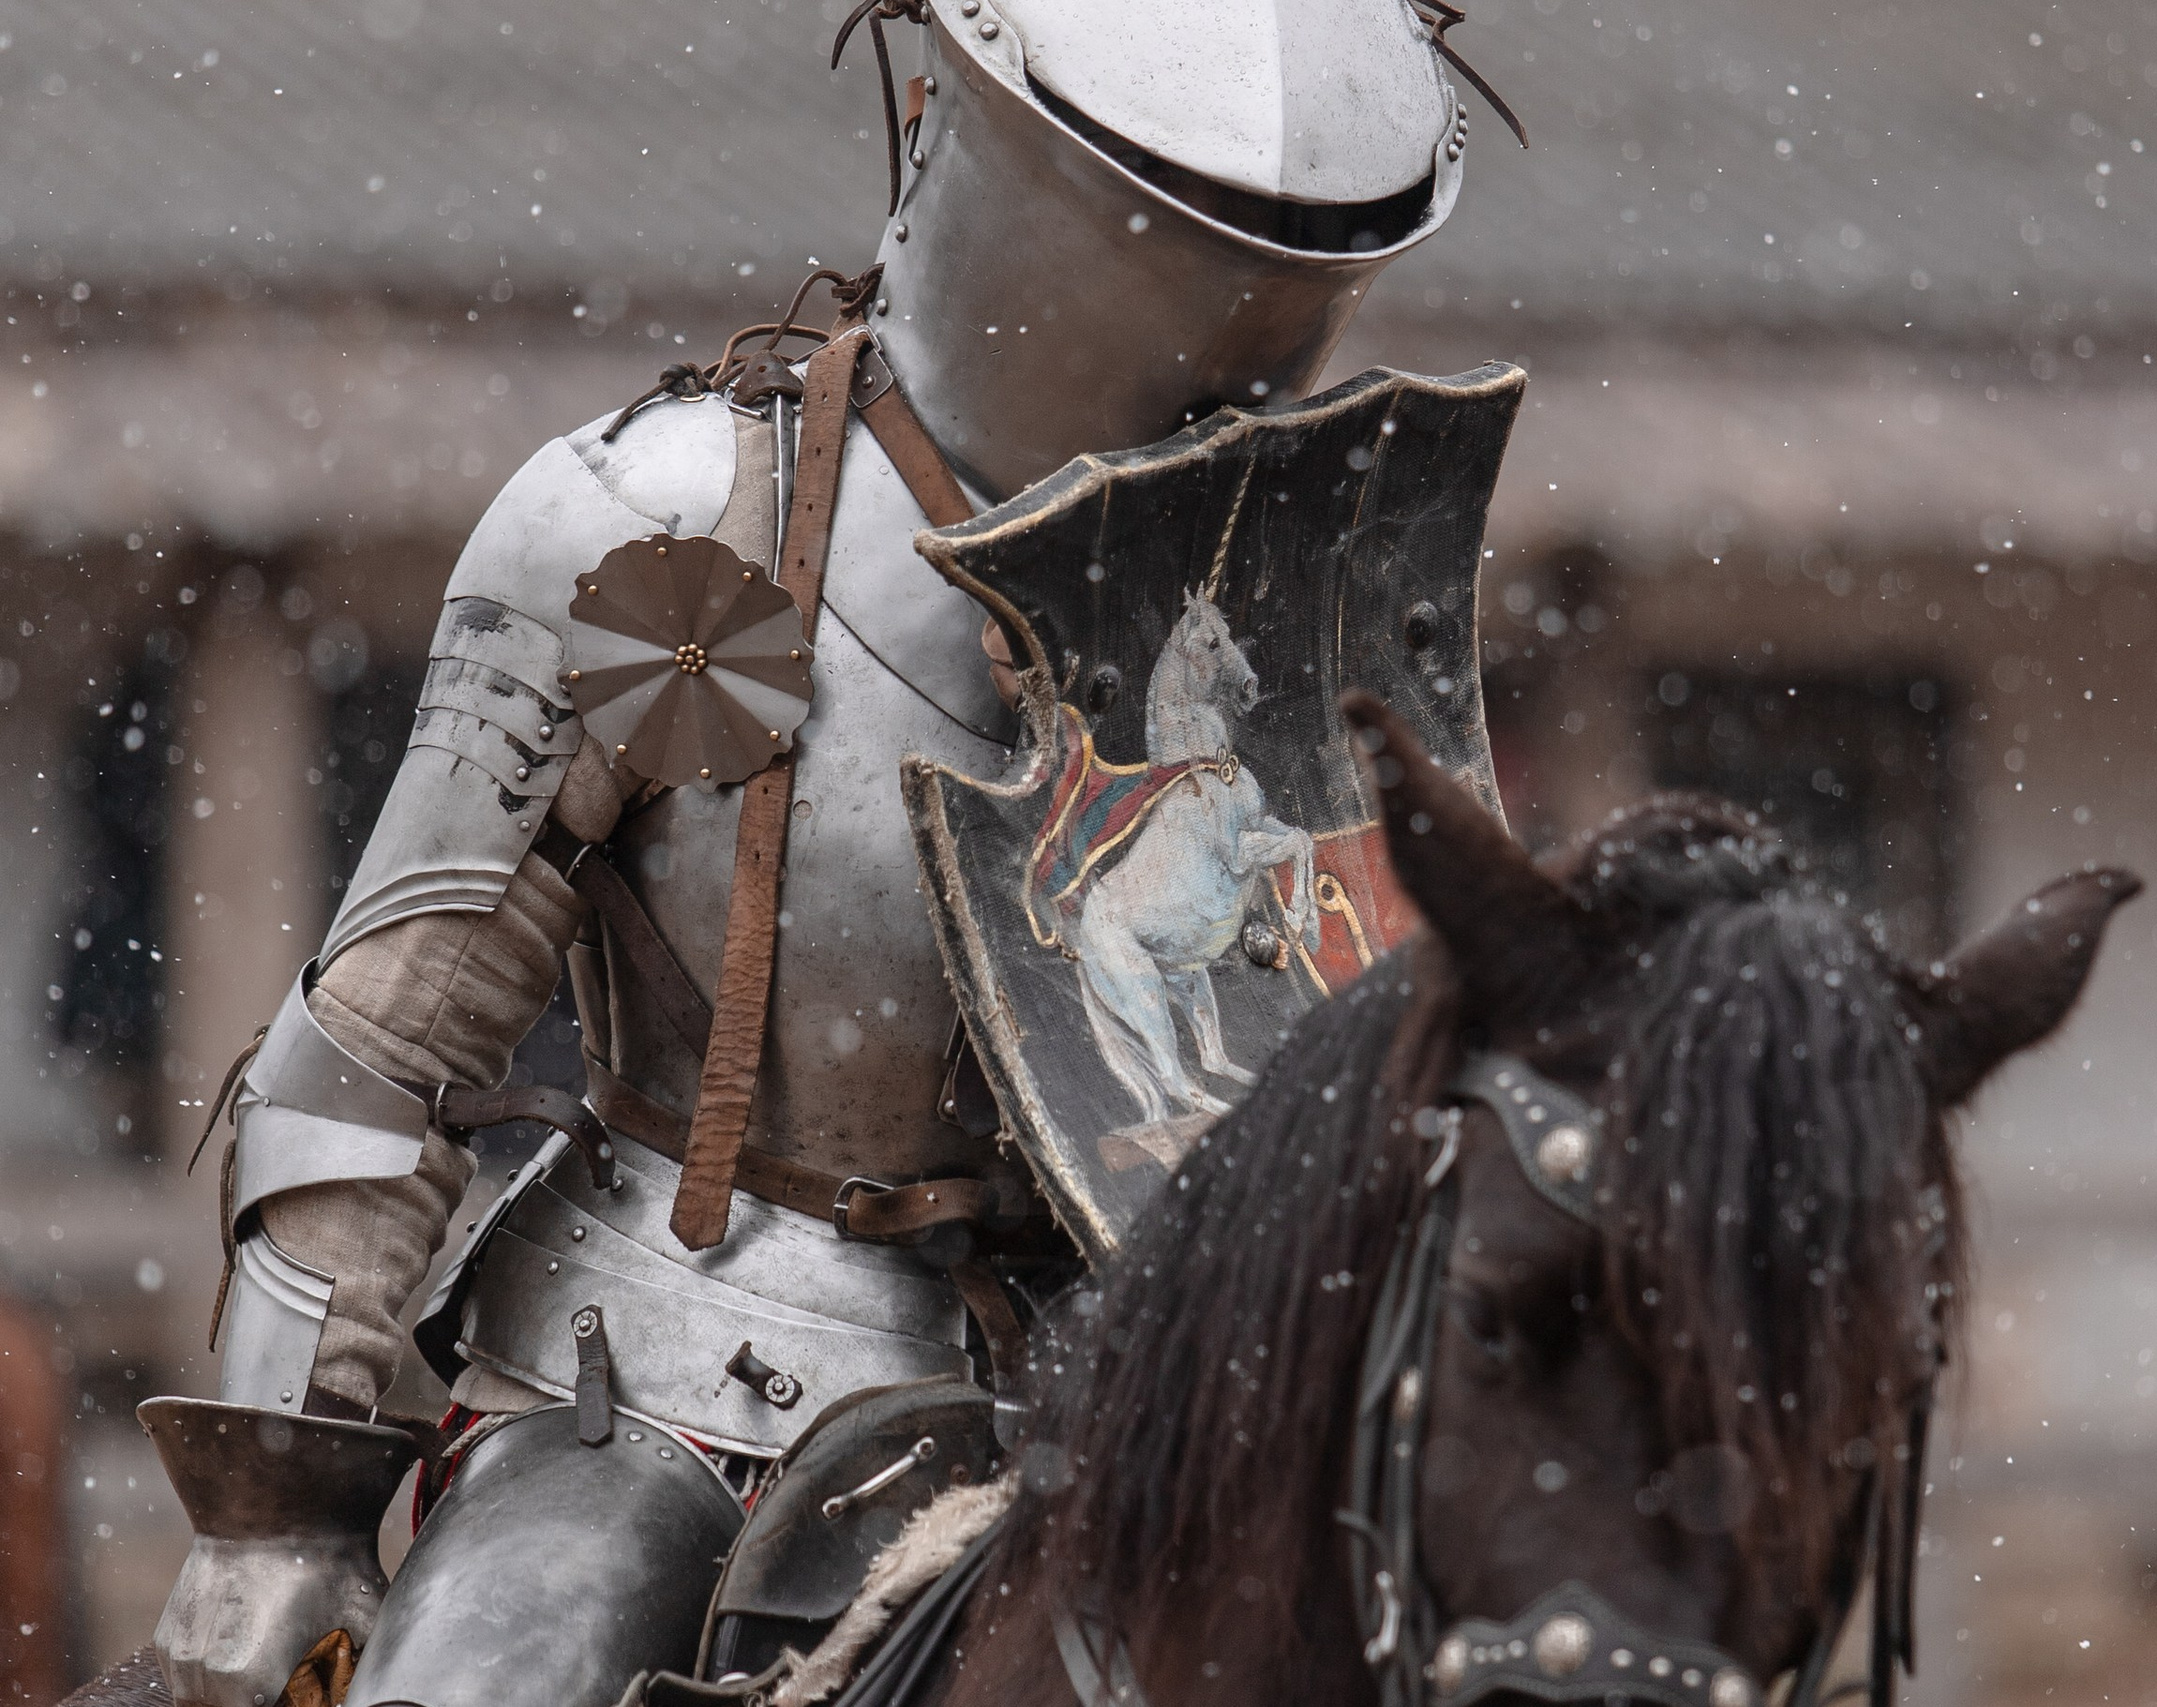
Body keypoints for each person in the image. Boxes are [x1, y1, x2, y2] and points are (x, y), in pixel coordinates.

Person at [149, 2, 1494, 1703]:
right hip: (660, 1388)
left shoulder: (1304, 626)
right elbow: (379, 1052)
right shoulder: (671, 538)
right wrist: (276, 1524)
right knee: (498, 1672)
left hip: (1144, 1427)